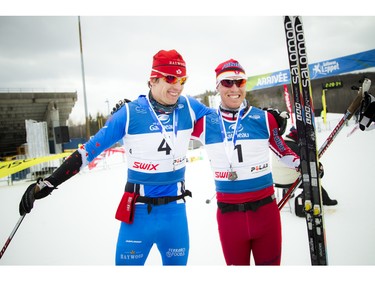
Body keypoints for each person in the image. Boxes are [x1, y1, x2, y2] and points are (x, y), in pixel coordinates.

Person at [18, 49, 213, 266]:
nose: (178, 86)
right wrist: (47, 183)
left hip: (175, 213)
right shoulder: (129, 113)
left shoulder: (190, 107)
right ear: (153, 79)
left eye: (182, 79)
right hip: (138, 214)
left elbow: (226, 125)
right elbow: (87, 152)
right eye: (171, 78)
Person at [191, 59, 300, 265]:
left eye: (239, 82)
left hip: (266, 214)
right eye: (227, 82)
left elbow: (283, 151)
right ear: (217, 87)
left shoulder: (265, 119)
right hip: (230, 217)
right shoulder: (205, 123)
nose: (234, 88)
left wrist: (301, 164)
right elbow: (170, 128)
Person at [272, 126, 338, 217]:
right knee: (312, 178)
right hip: (289, 180)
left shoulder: (281, 144)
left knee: (290, 170)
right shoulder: (294, 147)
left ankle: (287, 194)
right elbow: (308, 164)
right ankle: (326, 200)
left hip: (277, 179)